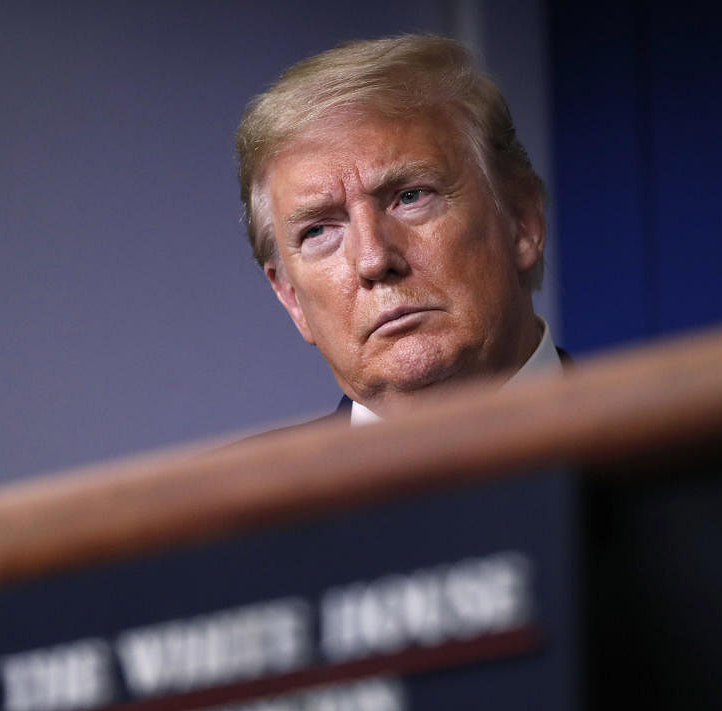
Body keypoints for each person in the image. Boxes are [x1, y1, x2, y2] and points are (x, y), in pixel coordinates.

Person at [235, 34, 563, 426]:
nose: (374, 259)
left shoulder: (653, 458)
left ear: (522, 221)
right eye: (319, 231)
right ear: (290, 297)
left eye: (410, 197)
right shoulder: (229, 489)